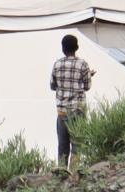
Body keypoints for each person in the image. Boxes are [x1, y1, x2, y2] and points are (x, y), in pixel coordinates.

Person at [50, 33, 93, 169]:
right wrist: (89, 76)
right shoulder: (83, 64)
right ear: (77, 47)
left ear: (63, 48)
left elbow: (52, 86)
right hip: (77, 111)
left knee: (62, 145)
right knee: (77, 144)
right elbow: (87, 86)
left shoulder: (57, 64)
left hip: (62, 112)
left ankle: (61, 173)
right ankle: (74, 173)